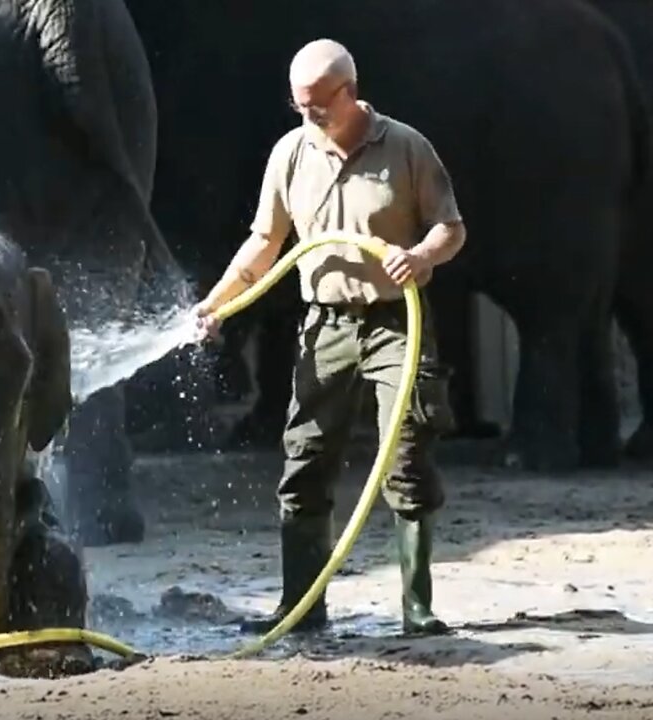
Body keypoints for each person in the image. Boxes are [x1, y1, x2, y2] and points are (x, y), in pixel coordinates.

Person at [191, 38, 467, 636]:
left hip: (397, 323)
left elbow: (451, 227)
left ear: (351, 91)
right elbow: (264, 245)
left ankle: (418, 611)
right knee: (306, 460)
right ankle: (301, 609)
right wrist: (217, 305)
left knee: (408, 457)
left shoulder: (406, 147)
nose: (309, 116)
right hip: (326, 326)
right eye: (300, 106)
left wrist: (420, 257)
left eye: (318, 104)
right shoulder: (290, 154)